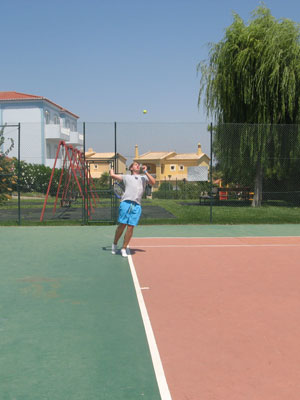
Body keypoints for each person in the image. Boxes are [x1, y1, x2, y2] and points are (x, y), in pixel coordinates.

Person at [109, 162, 156, 257]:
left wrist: (146, 171)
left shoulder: (144, 178)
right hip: (126, 203)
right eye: (135, 164)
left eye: (138, 165)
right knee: (122, 225)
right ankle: (114, 243)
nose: (137, 165)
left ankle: (123, 248)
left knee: (130, 227)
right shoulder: (126, 177)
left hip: (137, 205)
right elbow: (113, 176)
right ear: (131, 168)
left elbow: (153, 182)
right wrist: (111, 170)